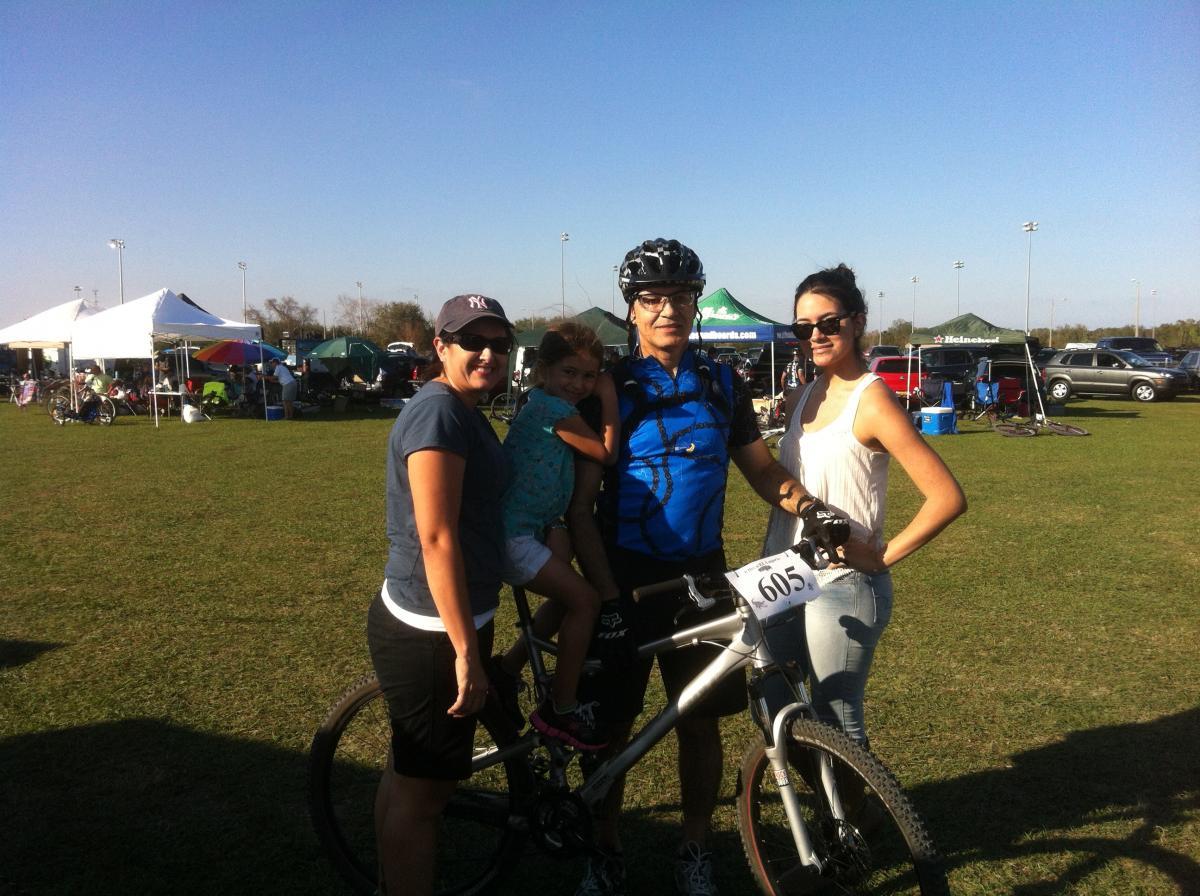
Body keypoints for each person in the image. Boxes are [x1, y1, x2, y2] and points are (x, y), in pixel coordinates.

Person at [569, 238, 850, 896]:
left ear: (696, 303)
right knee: (609, 728)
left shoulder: (722, 381)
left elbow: (760, 469)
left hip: (702, 580)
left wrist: (814, 509)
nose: (669, 310)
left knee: (699, 723)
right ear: (632, 310)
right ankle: (604, 850)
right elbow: (577, 497)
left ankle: (694, 847)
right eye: (652, 299)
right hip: (623, 578)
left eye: (682, 297)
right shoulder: (607, 387)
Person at [763, 263, 966, 749]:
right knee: (774, 704)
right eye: (803, 327)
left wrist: (880, 557)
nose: (815, 335)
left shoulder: (872, 401)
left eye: (828, 323)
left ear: (856, 322)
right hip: (785, 576)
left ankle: (862, 823)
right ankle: (819, 820)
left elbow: (947, 498)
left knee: (836, 723)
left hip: (843, 584)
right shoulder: (802, 395)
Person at [366, 293, 514, 896]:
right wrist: (465, 650)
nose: (486, 354)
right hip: (431, 629)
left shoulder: (460, 406)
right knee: (425, 795)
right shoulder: (440, 413)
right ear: (440, 347)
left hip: (442, 616)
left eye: (499, 344)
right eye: (471, 342)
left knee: (410, 777)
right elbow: (436, 537)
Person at [492, 322, 619, 750]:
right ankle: (560, 709)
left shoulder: (547, 403)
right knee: (585, 600)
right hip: (513, 535)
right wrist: (608, 397)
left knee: (569, 600)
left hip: (535, 526)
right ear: (543, 371)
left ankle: (507, 669)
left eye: (588, 376)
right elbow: (605, 453)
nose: (579, 384)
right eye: (569, 372)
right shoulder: (550, 408)